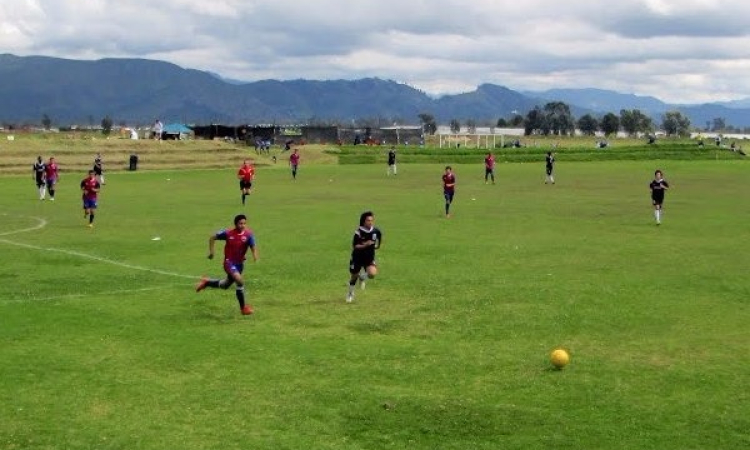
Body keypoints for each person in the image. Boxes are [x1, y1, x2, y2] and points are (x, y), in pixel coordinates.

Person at [195, 214, 258, 315]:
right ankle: (243, 308)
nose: (243, 225)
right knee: (239, 281)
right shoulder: (228, 233)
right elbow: (212, 238)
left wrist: (255, 255)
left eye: (244, 223)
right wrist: (212, 252)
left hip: (240, 264)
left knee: (225, 285)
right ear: (236, 224)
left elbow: (252, 245)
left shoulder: (248, 234)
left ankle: (206, 282)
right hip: (229, 262)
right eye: (240, 223)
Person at [346, 211, 382, 303]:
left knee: (372, 274)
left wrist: (378, 245)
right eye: (368, 220)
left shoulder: (375, 231)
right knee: (354, 276)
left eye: (371, 220)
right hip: (357, 257)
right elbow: (355, 246)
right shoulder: (358, 232)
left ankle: (362, 278)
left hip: (369, 258)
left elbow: (379, 237)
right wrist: (365, 245)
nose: (370, 222)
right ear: (363, 221)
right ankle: (350, 293)